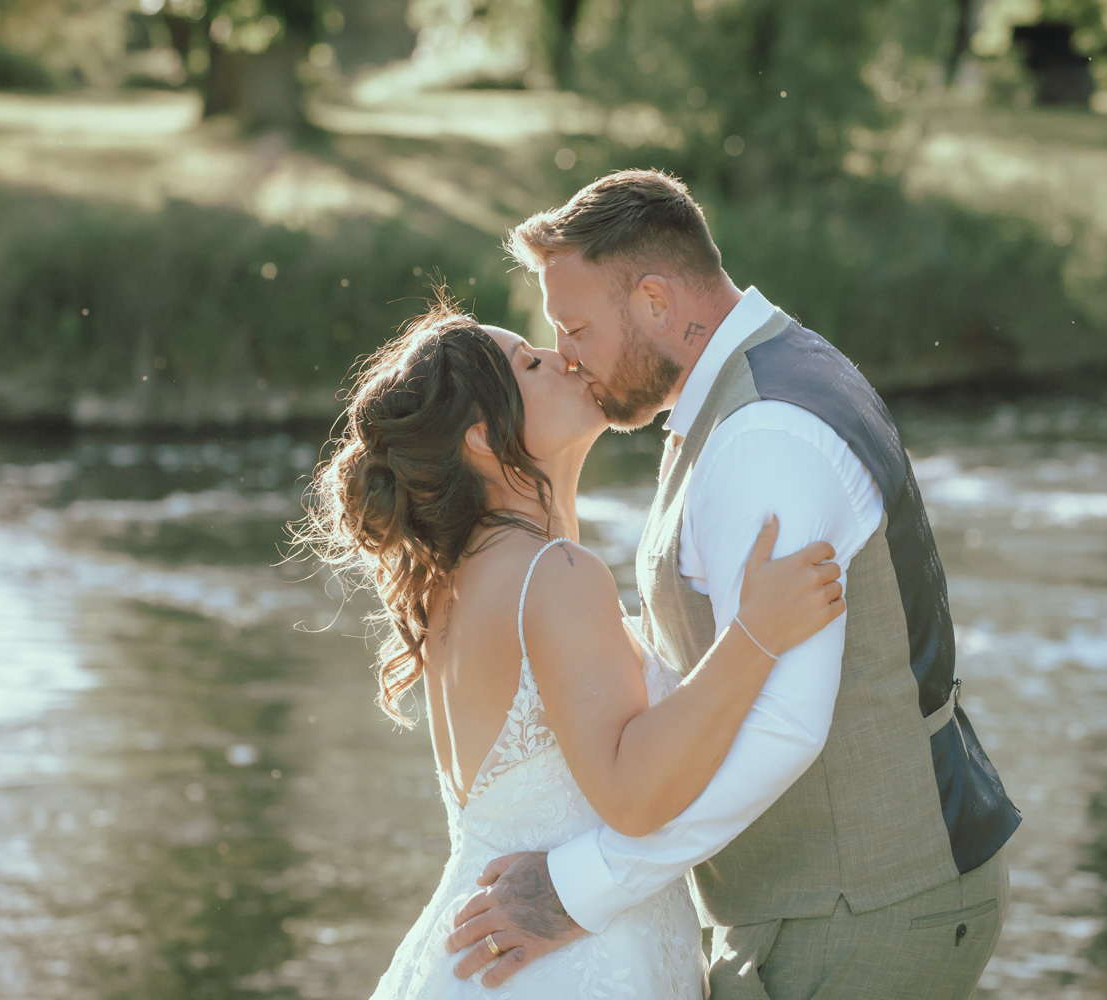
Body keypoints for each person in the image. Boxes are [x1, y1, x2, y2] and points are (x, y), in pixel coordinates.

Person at [444, 169, 1024, 998]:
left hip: (863, 909)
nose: (567, 356)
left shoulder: (764, 437)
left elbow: (787, 723)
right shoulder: (763, 375)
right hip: (821, 904)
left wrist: (583, 887)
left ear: (652, 300)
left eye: (574, 327)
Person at [298, 299, 847, 996]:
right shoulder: (549, 574)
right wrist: (756, 637)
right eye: (530, 363)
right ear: (482, 439)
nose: (563, 357)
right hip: (568, 965)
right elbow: (632, 795)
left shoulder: (460, 578)